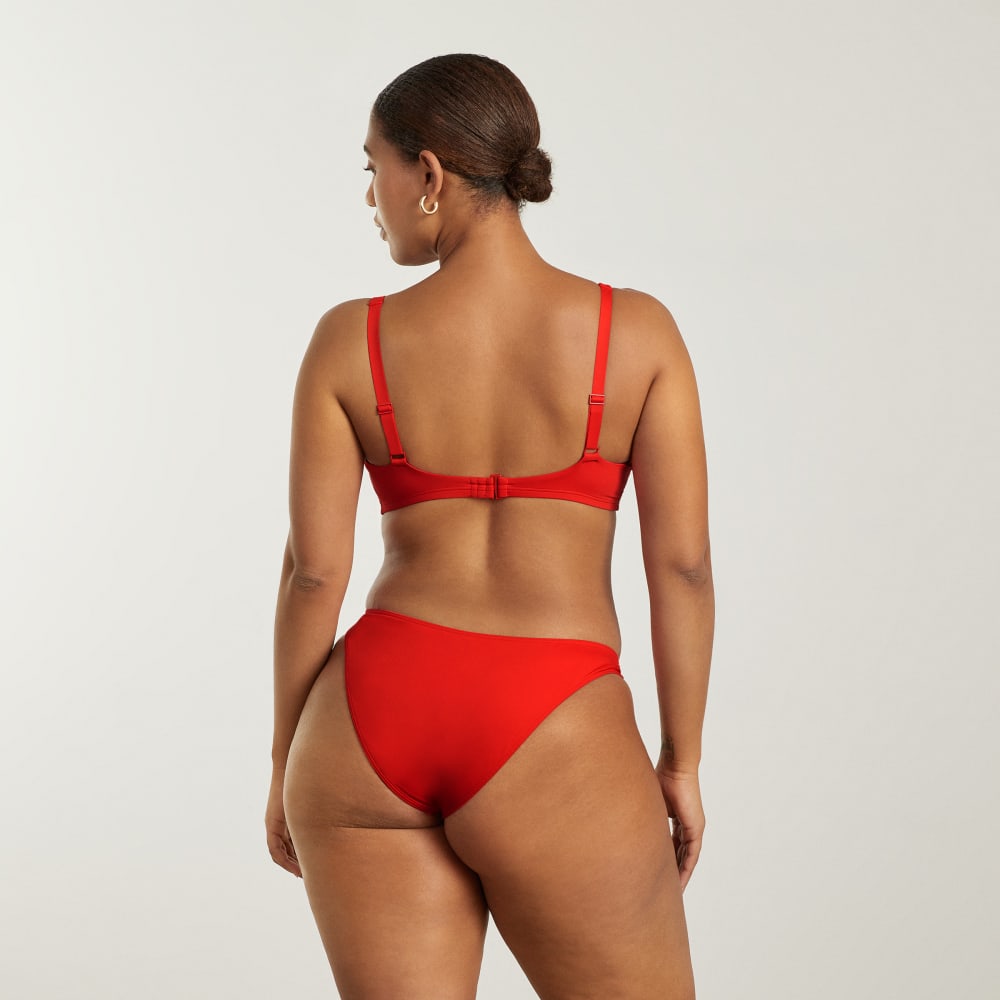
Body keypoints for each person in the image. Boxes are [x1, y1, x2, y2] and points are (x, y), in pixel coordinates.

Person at [266, 54, 714, 1000]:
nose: (371, 197)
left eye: (374, 168)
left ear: (428, 174)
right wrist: (681, 759)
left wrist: (284, 762)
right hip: (553, 718)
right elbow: (681, 568)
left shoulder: (349, 338)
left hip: (369, 720)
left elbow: (313, 574)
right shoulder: (637, 333)